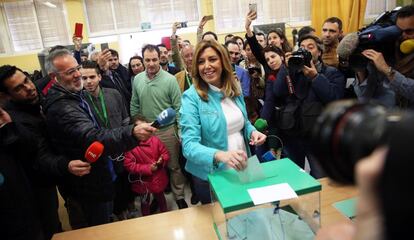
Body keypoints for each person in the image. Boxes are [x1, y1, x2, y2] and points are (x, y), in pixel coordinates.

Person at [43, 48, 156, 228]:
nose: (79, 75)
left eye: (77, 68)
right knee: (98, 226)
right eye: (71, 72)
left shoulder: (75, 95)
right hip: (88, 183)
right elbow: (93, 136)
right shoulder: (63, 107)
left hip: (102, 170)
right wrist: (132, 132)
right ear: (53, 76)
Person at [0, 65, 85, 239]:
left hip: (53, 177)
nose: (29, 88)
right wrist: (65, 164)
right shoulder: (15, 121)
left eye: (27, 80)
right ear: (7, 96)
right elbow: (39, 156)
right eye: (19, 88)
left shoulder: (33, 98)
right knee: (49, 228)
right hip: (35, 188)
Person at [180, 40, 266, 204]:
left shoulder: (234, 88)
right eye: (201, 61)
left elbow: (243, 122)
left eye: (212, 59)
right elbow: (189, 146)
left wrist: (252, 131)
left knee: (246, 213)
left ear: (223, 62)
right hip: (211, 176)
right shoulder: (191, 98)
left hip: (242, 166)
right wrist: (221, 155)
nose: (206, 66)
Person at [273, 34, 345, 178]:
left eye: (310, 47)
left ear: (319, 52)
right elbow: (278, 91)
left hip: (317, 136)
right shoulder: (293, 71)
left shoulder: (332, 73)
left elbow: (334, 98)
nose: (305, 50)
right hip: (293, 133)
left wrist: (315, 77)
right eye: (302, 48)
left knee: (321, 177)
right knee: (293, 177)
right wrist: (285, 68)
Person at [130, 44, 188, 209]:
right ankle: (156, 195)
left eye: (154, 59)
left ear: (160, 59)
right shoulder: (138, 79)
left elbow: (178, 108)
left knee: (174, 166)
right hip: (146, 132)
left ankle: (180, 196)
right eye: (147, 60)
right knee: (152, 168)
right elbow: (134, 104)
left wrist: (180, 132)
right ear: (143, 61)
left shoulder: (170, 80)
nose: (151, 63)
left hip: (167, 131)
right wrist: (137, 126)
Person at [80, 60, 136, 220]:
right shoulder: (80, 102)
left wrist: (129, 146)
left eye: (92, 77)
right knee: (110, 186)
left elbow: (126, 120)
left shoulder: (114, 94)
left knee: (125, 180)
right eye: (84, 78)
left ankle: (130, 207)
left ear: (99, 76)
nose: (88, 81)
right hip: (100, 152)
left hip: (120, 148)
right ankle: (117, 213)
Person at [361, 4, 414, 109]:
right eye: (399, 30)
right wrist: (361, 72)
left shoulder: (385, 64)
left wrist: (387, 70)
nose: (403, 36)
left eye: (409, 31)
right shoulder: (389, 50)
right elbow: (364, 97)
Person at [124, 115, 170, 216]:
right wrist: (148, 168)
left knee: (161, 198)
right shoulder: (130, 146)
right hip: (143, 182)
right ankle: (146, 220)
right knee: (144, 202)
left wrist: (162, 159)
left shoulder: (155, 140)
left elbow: (165, 153)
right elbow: (129, 165)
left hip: (157, 177)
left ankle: (166, 216)